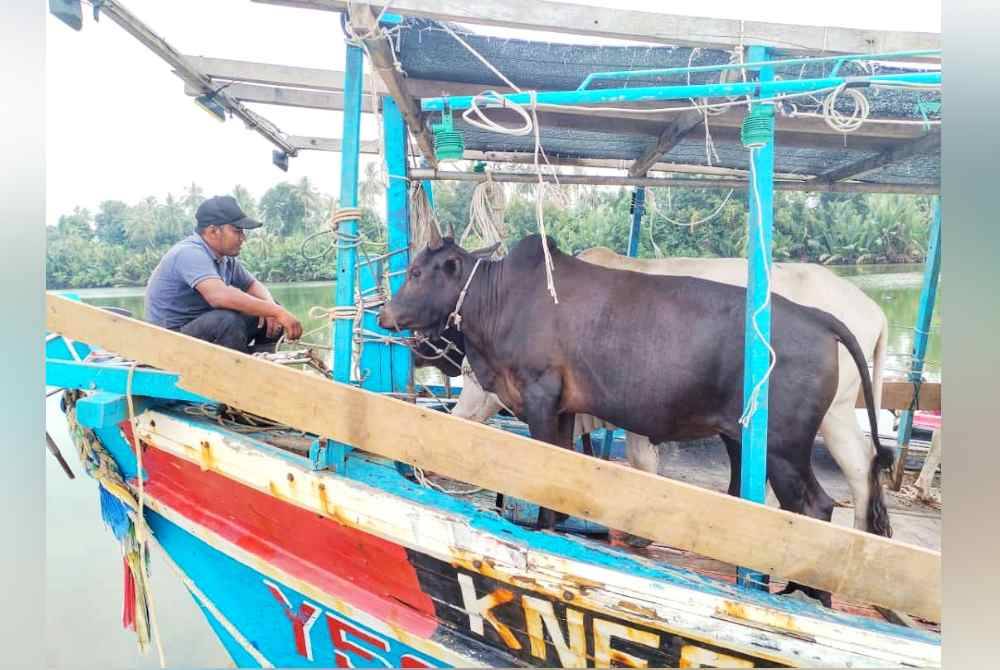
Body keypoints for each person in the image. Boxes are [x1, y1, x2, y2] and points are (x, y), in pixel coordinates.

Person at [144, 195, 303, 353]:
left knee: (269, 311)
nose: (243, 238)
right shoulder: (189, 253)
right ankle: (236, 371)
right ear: (213, 231)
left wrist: (273, 309)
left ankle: (262, 365)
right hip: (170, 340)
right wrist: (277, 312)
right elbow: (219, 297)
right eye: (237, 231)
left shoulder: (225, 258)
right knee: (226, 321)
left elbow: (252, 285)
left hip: (202, 330)